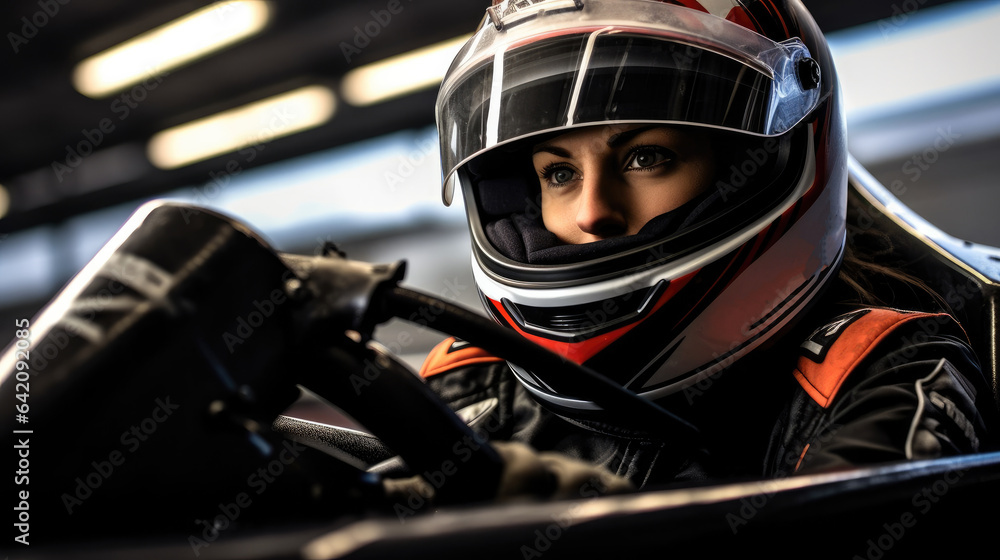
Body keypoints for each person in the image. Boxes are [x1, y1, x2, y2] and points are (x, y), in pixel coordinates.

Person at [414, 0, 997, 496]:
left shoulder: (880, 366)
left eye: (645, 158)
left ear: (747, 168)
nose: (592, 212)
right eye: (559, 174)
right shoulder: (475, 381)